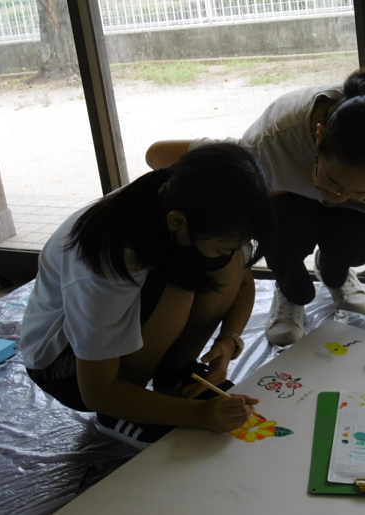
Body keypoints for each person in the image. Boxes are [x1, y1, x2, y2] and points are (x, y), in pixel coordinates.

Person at [146, 67, 365, 346]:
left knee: (361, 240)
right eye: (334, 183)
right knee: (277, 225)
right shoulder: (270, 141)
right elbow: (156, 156)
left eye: (361, 192)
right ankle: (289, 291)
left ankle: (334, 272)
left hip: (346, 223)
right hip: (290, 206)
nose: (339, 197)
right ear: (318, 139)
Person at [20, 143, 276, 449]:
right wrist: (201, 414)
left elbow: (243, 279)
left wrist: (230, 339)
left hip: (115, 336)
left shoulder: (195, 207)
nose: (236, 251)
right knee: (182, 284)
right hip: (64, 366)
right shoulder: (107, 260)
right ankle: (119, 412)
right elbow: (97, 390)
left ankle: (172, 376)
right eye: (225, 245)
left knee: (225, 265)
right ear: (177, 222)